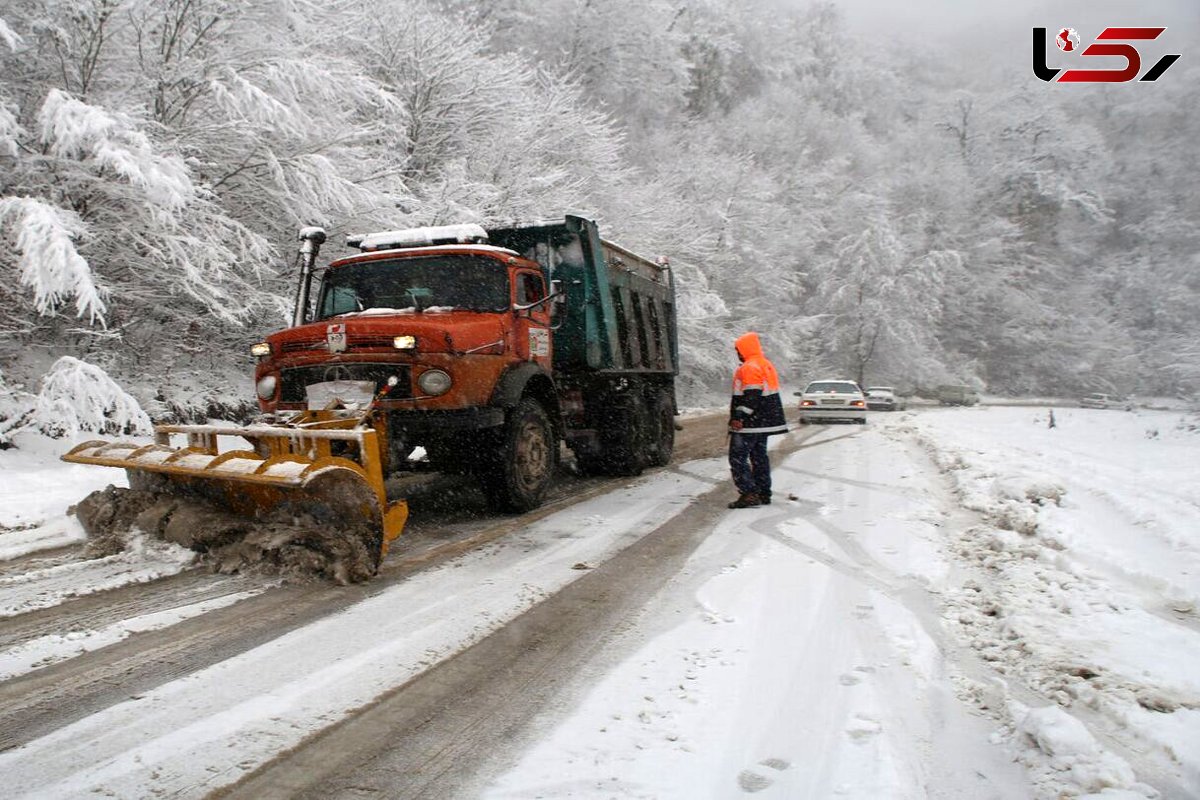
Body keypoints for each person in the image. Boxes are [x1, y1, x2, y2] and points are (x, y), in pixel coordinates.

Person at [727, 332, 788, 509]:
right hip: (763, 423)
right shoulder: (765, 364)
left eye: (738, 349)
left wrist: (739, 417)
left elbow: (752, 397)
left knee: (737, 458)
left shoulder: (749, 367)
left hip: (750, 424)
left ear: (744, 349)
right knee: (759, 457)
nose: (737, 353)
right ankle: (763, 492)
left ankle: (749, 493)